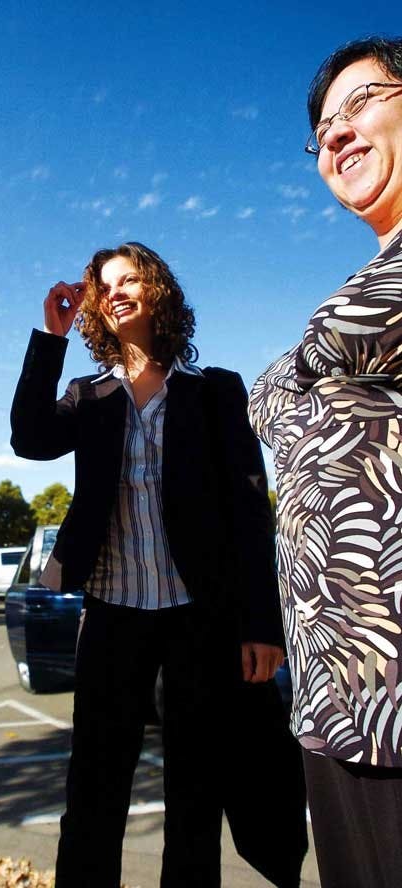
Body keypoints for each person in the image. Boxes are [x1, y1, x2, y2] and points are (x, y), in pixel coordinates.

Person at [11, 242, 308, 888]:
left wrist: (262, 623)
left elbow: (252, 514)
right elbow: (28, 440)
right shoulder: (87, 396)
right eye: (103, 284)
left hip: (197, 621)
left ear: (158, 290)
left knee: (195, 797)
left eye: (129, 278)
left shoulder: (216, 393)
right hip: (113, 616)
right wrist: (48, 336)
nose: (115, 290)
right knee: (93, 790)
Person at [248, 35, 402, 888]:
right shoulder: (370, 270)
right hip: (332, 692)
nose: (337, 133)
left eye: (361, 104)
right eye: (322, 127)